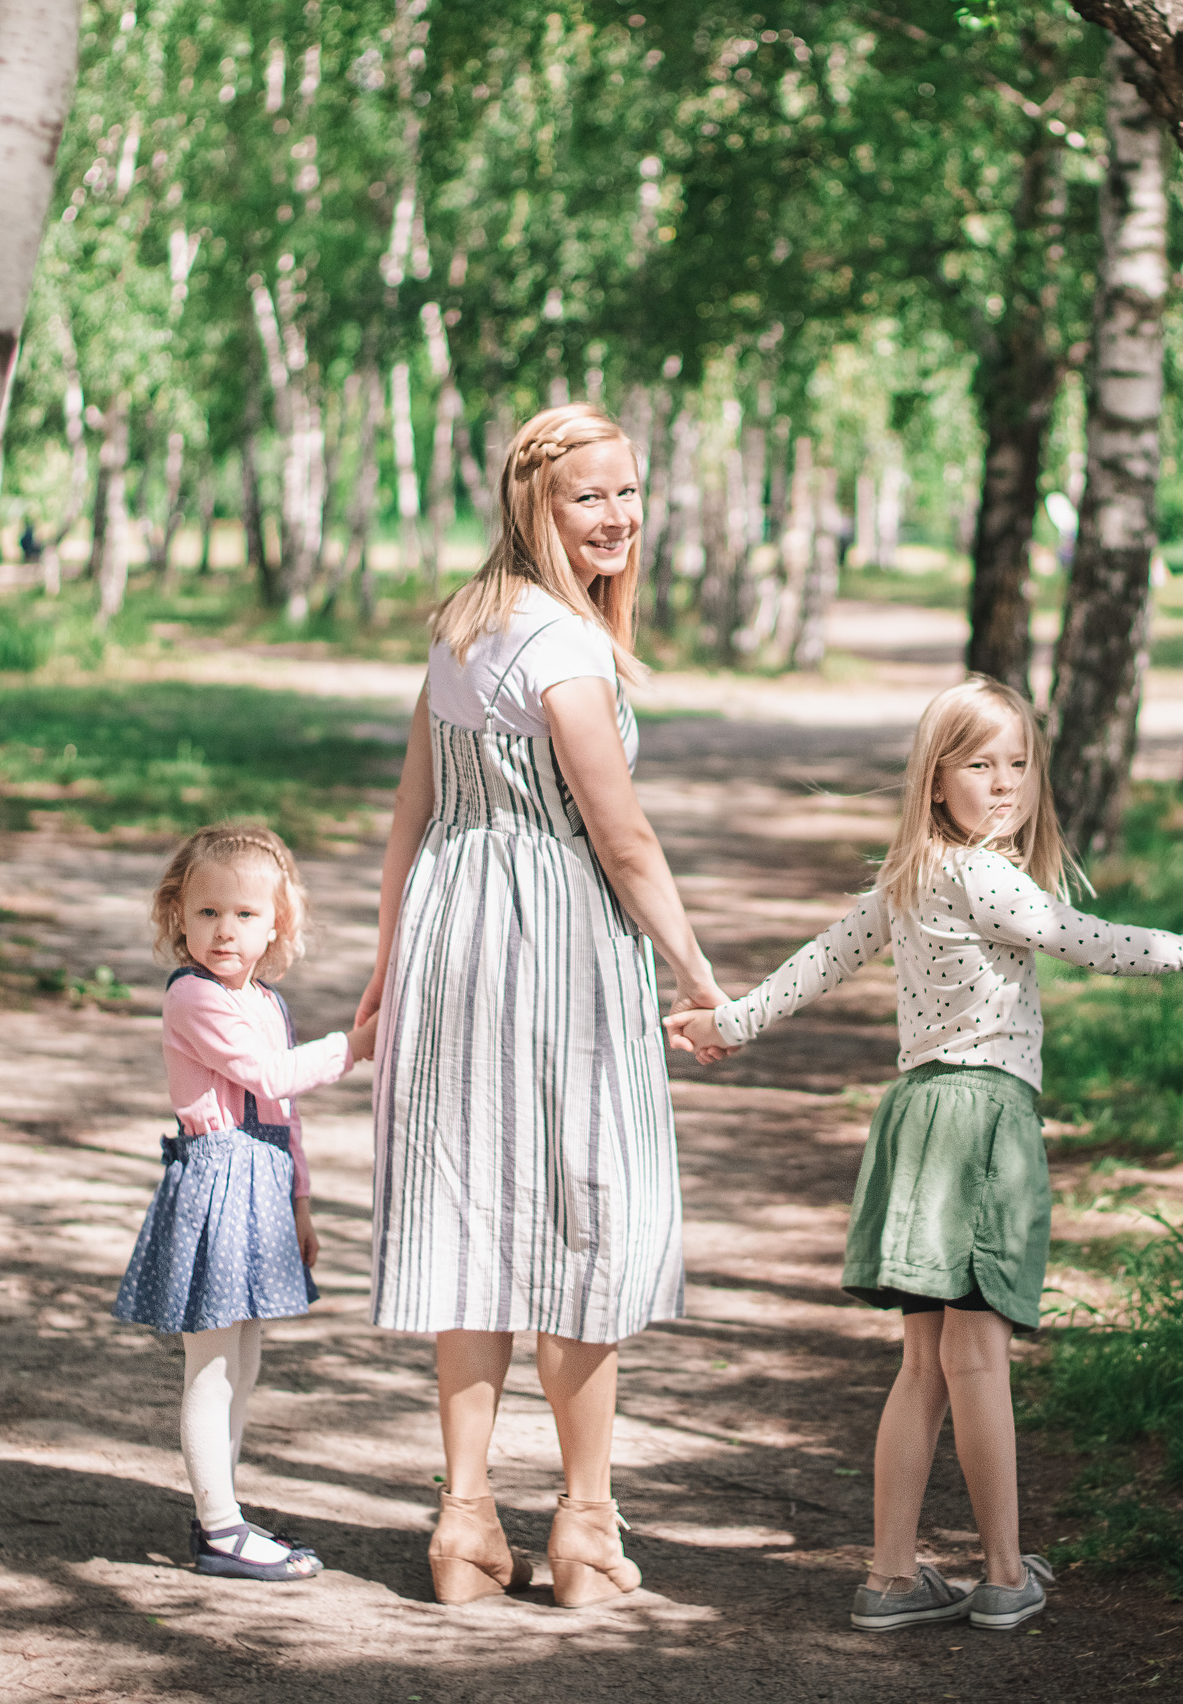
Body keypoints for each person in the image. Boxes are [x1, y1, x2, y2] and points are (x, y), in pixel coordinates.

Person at [667, 677, 1183, 1634]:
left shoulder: (912, 876)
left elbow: (825, 956)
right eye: (980, 764)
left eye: (1019, 764)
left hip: (917, 1116)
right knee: (980, 1356)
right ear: (935, 779)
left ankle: (892, 1575)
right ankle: (1001, 1573)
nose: (1004, 783)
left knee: (925, 1361)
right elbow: (1089, 940)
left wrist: (732, 1022)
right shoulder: (986, 877)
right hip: (983, 1119)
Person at [356, 403, 724, 1609]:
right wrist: (697, 975)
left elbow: (412, 811)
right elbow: (622, 842)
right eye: (590, 498)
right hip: (554, 940)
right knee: (584, 1224)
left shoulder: (461, 630)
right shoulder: (562, 650)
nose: (616, 516)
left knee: (473, 1222)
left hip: (454, 930)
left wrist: (387, 961)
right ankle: (583, 1528)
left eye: (627, 492)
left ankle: (463, 1523)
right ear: (536, 506)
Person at [114, 823, 376, 1583]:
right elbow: (268, 1077)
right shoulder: (193, 996)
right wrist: (353, 1045)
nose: (224, 930)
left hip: (260, 1190)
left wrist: (300, 1202)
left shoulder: (264, 999)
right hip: (217, 1190)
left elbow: (283, 1122)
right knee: (211, 1363)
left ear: (277, 924)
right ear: (178, 916)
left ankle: (218, 1509)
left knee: (245, 1356)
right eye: (206, 913)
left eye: (245, 914)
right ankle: (220, 1529)